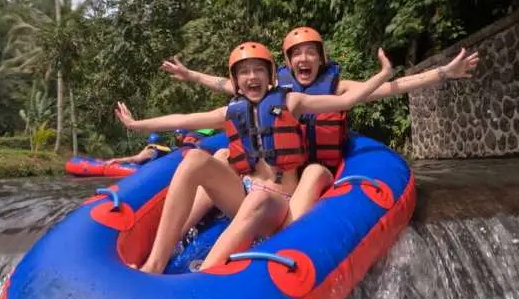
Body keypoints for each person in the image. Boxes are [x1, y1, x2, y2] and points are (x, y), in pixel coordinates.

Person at [114, 41, 394, 273]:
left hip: (279, 204)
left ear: (270, 75)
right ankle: (155, 262)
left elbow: (345, 101)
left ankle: (204, 275)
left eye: (258, 70)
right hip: (244, 196)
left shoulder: (291, 101)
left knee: (260, 197)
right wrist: (136, 125)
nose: (251, 77)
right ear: (236, 81)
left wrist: (383, 74)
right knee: (195, 159)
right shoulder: (232, 111)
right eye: (244, 72)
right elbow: (184, 118)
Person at [161, 26, 479, 222]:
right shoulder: (272, 90)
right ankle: (185, 226)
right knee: (218, 157)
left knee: (311, 173)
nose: (304, 59)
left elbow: (388, 89)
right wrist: (190, 75)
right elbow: (223, 84)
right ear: (286, 62)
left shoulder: (335, 87)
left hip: (313, 169)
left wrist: (442, 73)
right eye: (297, 54)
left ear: (320, 58)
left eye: (310, 53)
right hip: (277, 170)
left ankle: (288, 235)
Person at [104, 132, 172, 168]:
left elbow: (134, 159)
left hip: (141, 170)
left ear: (149, 142)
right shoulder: (163, 151)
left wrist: (115, 160)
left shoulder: (150, 151)